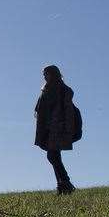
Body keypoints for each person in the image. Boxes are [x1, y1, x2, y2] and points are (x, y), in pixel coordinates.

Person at [34, 64, 78, 195]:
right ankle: (62, 185)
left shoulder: (59, 89)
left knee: (53, 156)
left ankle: (65, 183)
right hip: (51, 128)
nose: (44, 76)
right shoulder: (49, 89)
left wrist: (65, 128)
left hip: (56, 128)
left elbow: (63, 110)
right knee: (54, 156)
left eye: (46, 74)